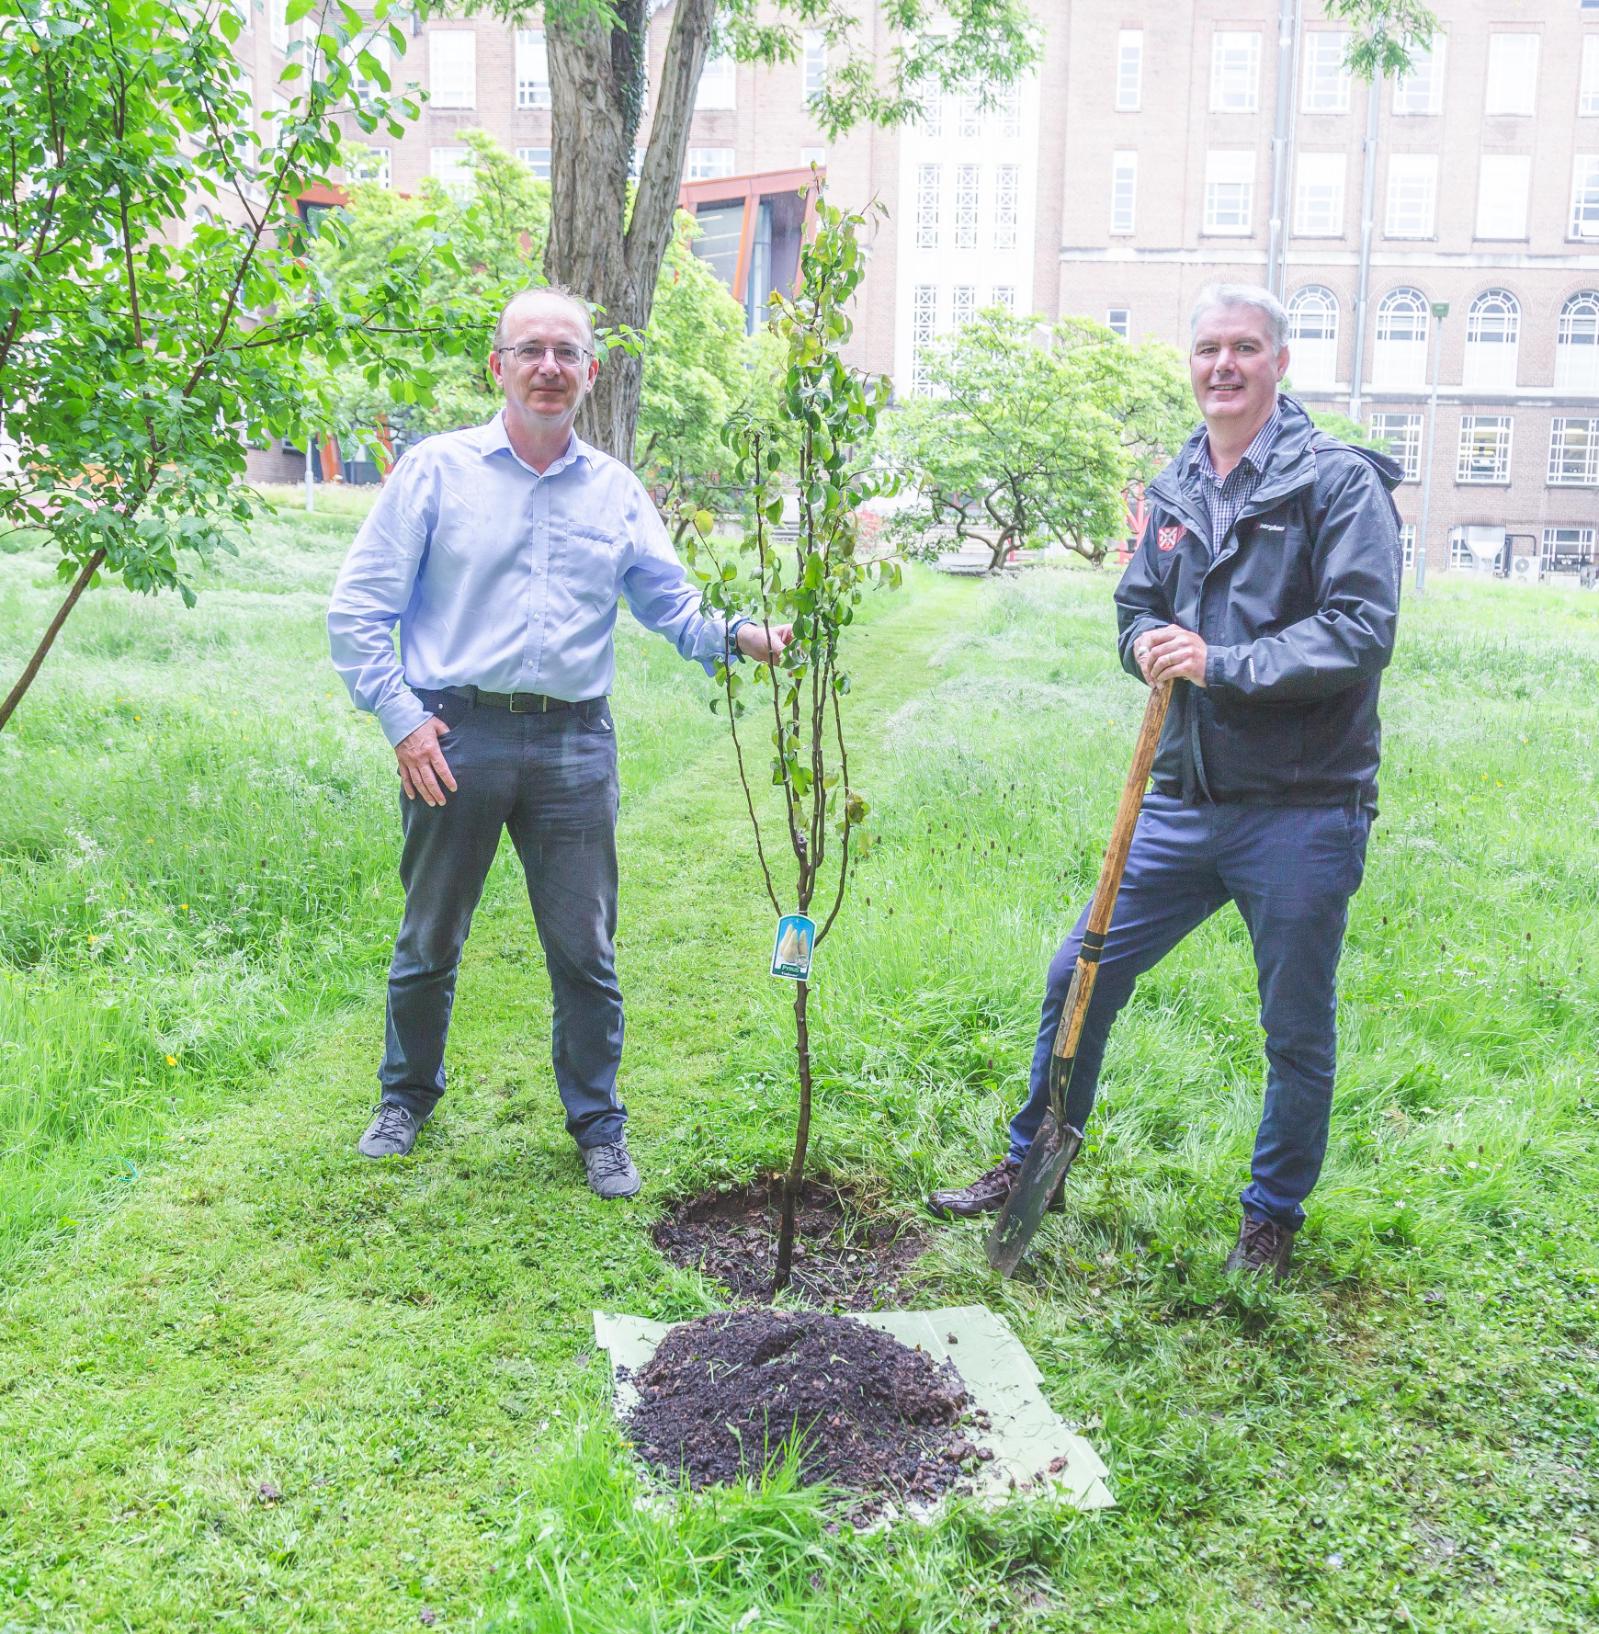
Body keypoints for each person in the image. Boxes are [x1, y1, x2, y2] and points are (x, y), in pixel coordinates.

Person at [926, 282, 1402, 1278]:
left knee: (1294, 1025)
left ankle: (1271, 1214)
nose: (1221, 365)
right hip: (1183, 800)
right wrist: (1147, 640)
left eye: (1244, 347)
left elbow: (1362, 629)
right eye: (1205, 349)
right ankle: (1034, 1166)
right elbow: (1136, 605)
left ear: (1280, 361)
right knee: (1080, 975)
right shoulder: (1178, 484)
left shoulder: (1337, 483)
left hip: (1304, 808)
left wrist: (1223, 660)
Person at [328, 287, 789, 1198]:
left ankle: (598, 1124)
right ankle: (404, 1097)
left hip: (576, 746)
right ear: (496, 365)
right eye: (530, 349)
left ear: (590, 371)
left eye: (567, 352)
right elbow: (357, 610)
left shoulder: (615, 492)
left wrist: (740, 636)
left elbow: (672, 604)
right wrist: (402, 718)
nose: (549, 366)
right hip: (455, 735)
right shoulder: (434, 472)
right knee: (430, 937)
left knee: (585, 948)